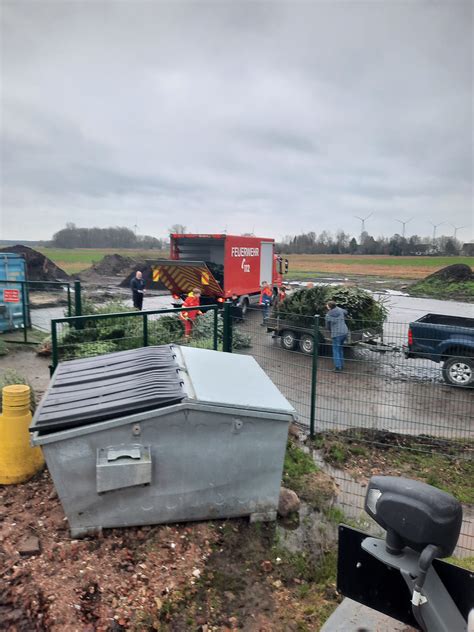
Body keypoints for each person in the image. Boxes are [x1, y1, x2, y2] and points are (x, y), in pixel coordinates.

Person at [325, 300, 349, 372]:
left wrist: (330, 331)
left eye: (327, 305)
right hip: (344, 332)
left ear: (329, 307)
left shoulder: (328, 315)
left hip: (336, 334)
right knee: (340, 349)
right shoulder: (340, 310)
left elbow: (327, 326)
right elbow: (346, 312)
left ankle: (338, 368)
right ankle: (341, 365)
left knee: (336, 350)